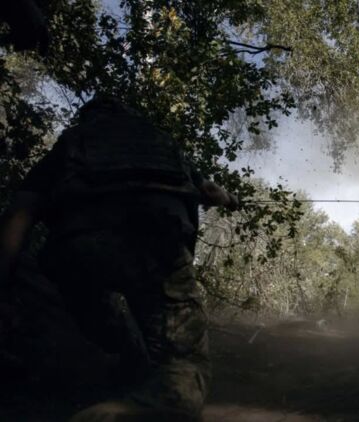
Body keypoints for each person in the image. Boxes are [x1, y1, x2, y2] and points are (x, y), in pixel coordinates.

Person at [0, 97, 238, 420]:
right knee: (185, 362)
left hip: (79, 248)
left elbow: (20, 213)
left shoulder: (73, 141)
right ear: (128, 115)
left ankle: (124, 363)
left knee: (87, 303)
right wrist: (230, 199)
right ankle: (141, 405)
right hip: (160, 246)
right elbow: (212, 191)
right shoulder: (160, 141)